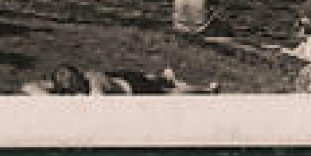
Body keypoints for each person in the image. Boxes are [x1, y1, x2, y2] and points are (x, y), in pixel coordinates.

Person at [23, 63, 217, 96]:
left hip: (132, 88)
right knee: (152, 78)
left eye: (72, 80)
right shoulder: (87, 77)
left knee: (171, 93)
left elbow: (97, 101)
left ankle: (206, 91)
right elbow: (28, 86)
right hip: (118, 77)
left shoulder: (94, 84)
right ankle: (165, 77)